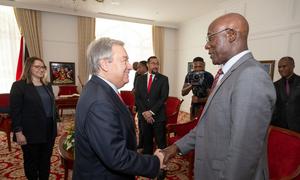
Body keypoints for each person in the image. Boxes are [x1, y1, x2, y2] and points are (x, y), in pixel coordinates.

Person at [162, 13, 276, 180]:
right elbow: (208, 127)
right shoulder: (227, 73)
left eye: (210, 38)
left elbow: (244, 151)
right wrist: (176, 147)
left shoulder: (251, 76)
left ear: (231, 35)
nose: (206, 46)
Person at [73, 37, 164, 180]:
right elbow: (116, 157)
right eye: (124, 60)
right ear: (105, 64)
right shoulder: (99, 102)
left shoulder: (99, 88)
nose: (129, 66)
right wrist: (155, 162)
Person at [10, 56, 61, 180]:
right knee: (31, 161)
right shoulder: (19, 86)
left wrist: (58, 121)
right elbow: (15, 111)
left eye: (43, 67)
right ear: (29, 68)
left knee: (45, 159)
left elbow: (53, 104)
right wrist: (18, 132)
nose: (41, 69)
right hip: (30, 131)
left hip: (49, 129)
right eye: (37, 66)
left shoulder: (47, 85)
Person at [135, 56, 169, 180]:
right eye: (153, 63)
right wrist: (144, 112)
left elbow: (163, 98)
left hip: (158, 117)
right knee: (147, 143)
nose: (155, 66)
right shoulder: (140, 79)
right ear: (148, 65)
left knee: (160, 144)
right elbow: (138, 97)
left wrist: (151, 112)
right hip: (144, 117)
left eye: (157, 63)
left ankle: (161, 169)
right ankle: (148, 167)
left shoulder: (164, 79)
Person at [271, 56, 300, 133]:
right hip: (279, 127)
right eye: (279, 67)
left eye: (284, 66)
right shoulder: (275, 85)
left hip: (297, 128)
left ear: (293, 66)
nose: (281, 69)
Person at [133, 60, 148, 149]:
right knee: (140, 126)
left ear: (144, 67)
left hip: (147, 107)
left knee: (145, 128)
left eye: (139, 67)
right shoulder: (138, 76)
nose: (137, 69)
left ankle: (146, 145)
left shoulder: (151, 77)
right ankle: (141, 144)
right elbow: (137, 91)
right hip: (140, 106)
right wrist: (135, 104)